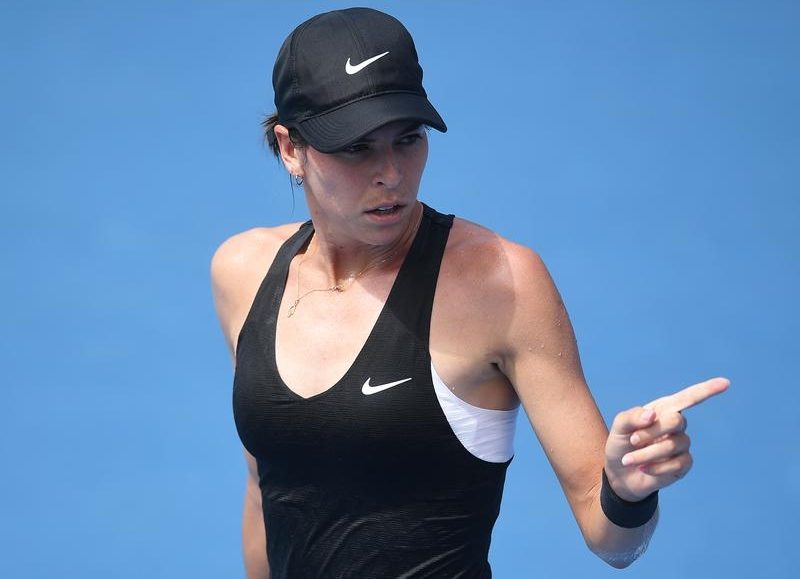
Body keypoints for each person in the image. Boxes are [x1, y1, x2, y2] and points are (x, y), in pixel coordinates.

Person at [211, 7, 729, 579]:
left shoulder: (501, 282)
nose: (391, 174)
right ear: (290, 148)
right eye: (357, 147)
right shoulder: (243, 271)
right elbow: (265, 491)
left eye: (408, 139)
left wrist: (628, 491)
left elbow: (612, 541)